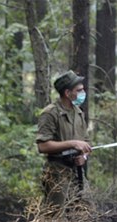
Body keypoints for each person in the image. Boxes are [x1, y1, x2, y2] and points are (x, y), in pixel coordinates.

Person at [36, 70, 92, 207]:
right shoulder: (50, 113)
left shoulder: (79, 113)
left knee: (86, 214)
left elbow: (87, 143)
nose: (82, 93)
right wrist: (72, 143)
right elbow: (42, 146)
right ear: (67, 93)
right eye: (79, 90)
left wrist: (84, 156)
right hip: (57, 173)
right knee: (56, 217)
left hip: (78, 172)